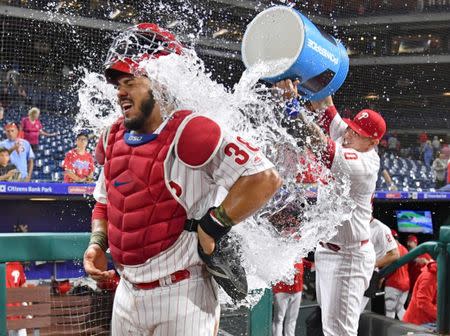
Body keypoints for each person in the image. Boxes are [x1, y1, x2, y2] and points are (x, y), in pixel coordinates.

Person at [82, 23, 282, 336]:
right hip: (125, 294)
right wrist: (97, 243)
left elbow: (264, 178)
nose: (120, 91)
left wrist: (214, 224)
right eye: (118, 83)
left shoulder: (192, 131)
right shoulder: (111, 137)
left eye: (130, 81)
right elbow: (104, 203)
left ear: (159, 82)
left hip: (183, 295)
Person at [276, 82, 386, 336]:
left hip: (348, 257)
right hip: (329, 251)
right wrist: (311, 74)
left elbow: (319, 143)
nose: (349, 134)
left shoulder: (364, 164)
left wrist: (292, 105)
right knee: (327, 328)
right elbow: (325, 105)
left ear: (372, 142)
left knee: (339, 332)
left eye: (357, 133)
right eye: (351, 127)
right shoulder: (351, 140)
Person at [360, 218, 399, 313]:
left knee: (354, 314)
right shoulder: (354, 223)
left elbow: (395, 254)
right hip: (352, 271)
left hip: (369, 274)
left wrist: (373, 264)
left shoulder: (380, 228)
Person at [403, 261, 437, 327]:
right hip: (418, 324)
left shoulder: (440, 276)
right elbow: (423, 302)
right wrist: (442, 315)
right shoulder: (430, 277)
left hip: (427, 322)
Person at [384, 229, 409, 320]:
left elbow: (387, 267)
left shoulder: (391, 250)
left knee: (390, 311)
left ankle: (388, 333)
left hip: (393, 283)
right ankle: (409, 331)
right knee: (400, 309)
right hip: (405, 285)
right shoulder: (405, 249)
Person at [6, 261, 27, 336]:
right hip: (16, 309)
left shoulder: (16, 265)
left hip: (8, 309)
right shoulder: (18, 265)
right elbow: (24, 286)